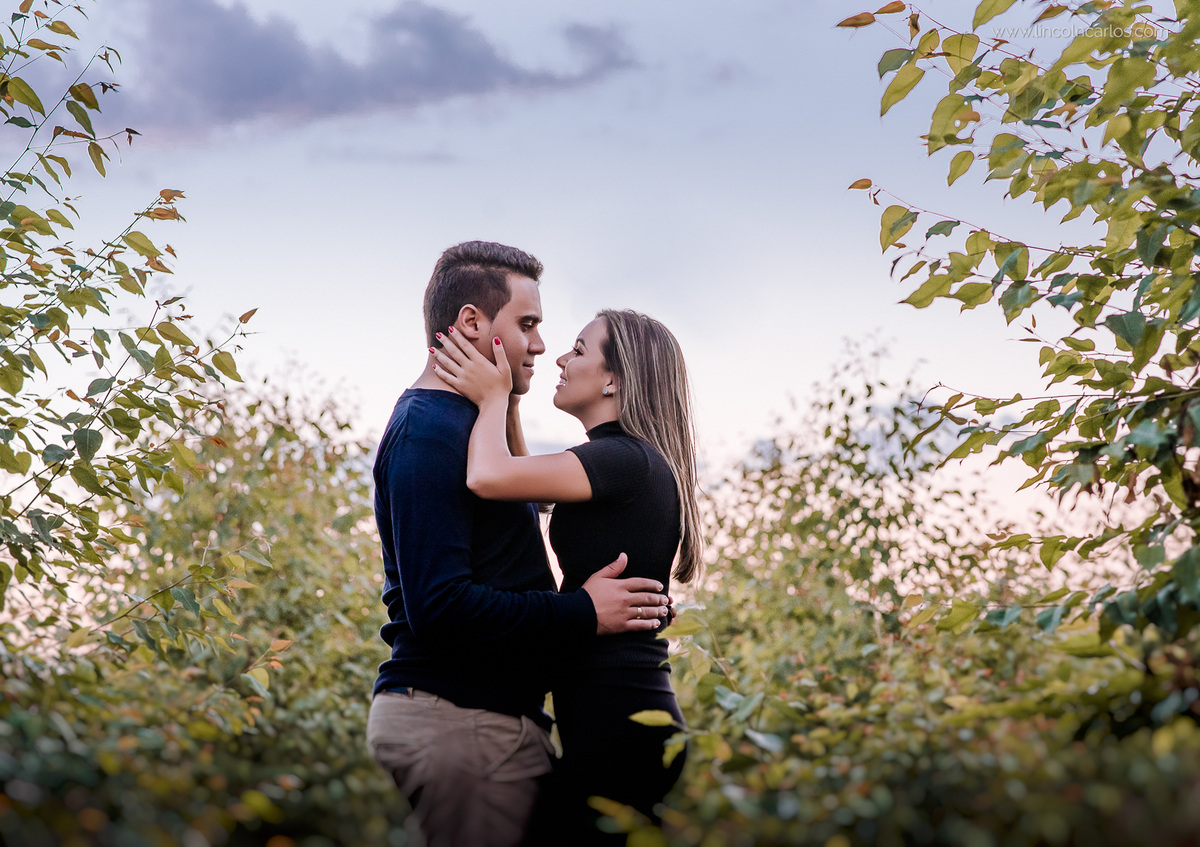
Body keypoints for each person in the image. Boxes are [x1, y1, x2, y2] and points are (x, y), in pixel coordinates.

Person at [365, 242, 672, 847]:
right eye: (527, 324)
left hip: (491, 722)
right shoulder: (431, 432)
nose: (541, 345)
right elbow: (439, 606)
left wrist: (500, 403)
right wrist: (582, 611)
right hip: (462, 719)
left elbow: (516, 488)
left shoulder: (469, 429)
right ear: (472, 322)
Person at [431, 307, 702, 844]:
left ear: (613, 378)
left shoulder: (624, 459)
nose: (559, 358)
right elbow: (525, 487)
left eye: (578, 350)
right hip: (618, 714)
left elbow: (488, 476)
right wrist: (510, 400)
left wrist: (490, 398)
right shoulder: (623, 460)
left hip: (620, 721)